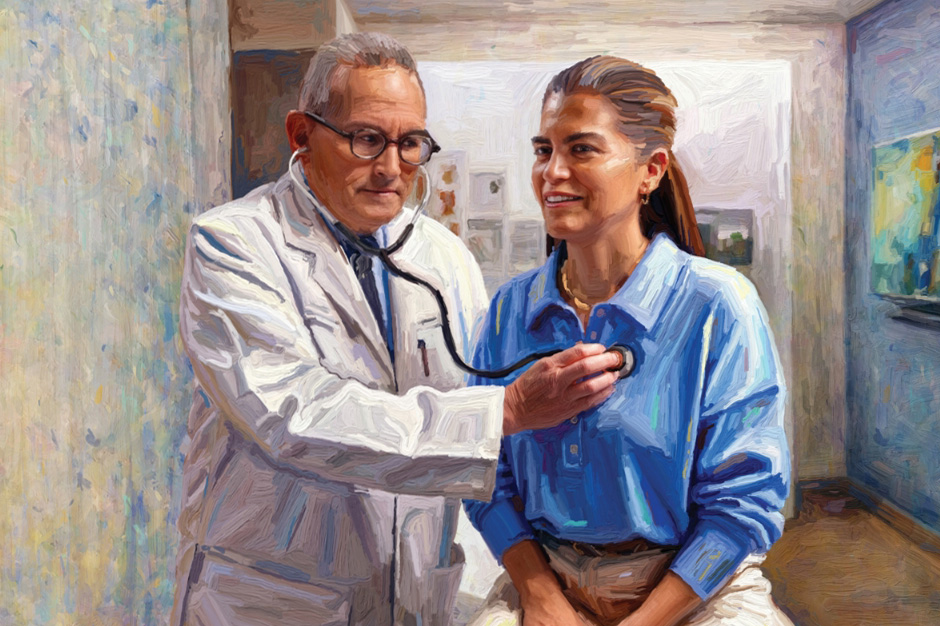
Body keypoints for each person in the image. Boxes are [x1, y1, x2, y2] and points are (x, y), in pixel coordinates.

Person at [170, 34, 622, 626]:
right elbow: (293, 416)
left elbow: (482, 433)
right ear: (301, 137)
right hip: (274, 600)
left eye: (410, 143)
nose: (391, 168)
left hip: (413, 595)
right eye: (366, 139)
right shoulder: (232, 244)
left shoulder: (443, 256)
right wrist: (504, 410)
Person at [464, 56, 793, 626]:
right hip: (548, 583)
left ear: (651, 170)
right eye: (544, 150)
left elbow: (744, 505)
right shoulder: (509, 311)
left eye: (581, 149)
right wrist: (542, 599)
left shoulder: (719, 303)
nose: (552, 172)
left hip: (696, 587)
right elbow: (480, 474)